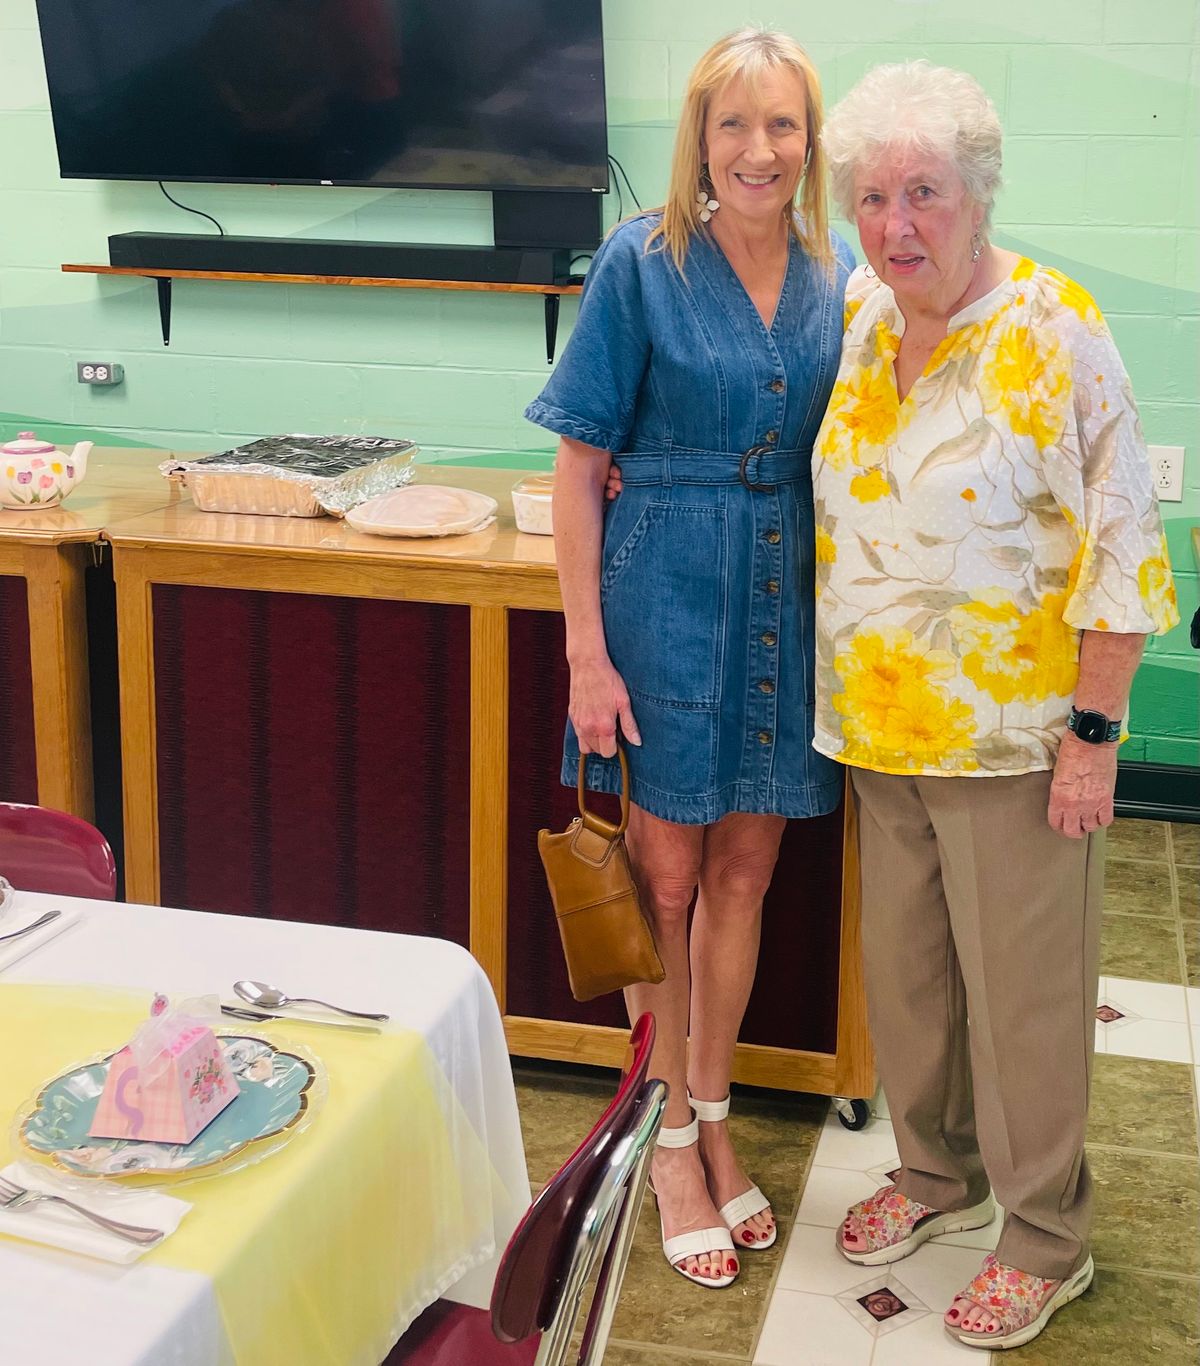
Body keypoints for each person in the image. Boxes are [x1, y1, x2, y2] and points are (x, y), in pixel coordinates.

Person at [813, 61, 1179, 1348]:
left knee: (1024, 996)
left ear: (978, 194)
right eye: (870, 196)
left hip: (1019, 738)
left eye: (924, 192)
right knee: (910, 986)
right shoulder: (862, 312)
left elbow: (1127, 544)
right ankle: (935, 1174)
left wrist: (1094, 735)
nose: (897, 222)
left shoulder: (1057, 325)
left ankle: (1046, 1233)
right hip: (872, 725)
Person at [524, 27, 853, 1288]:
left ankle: (714, 1119)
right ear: (699, 139)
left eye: (781, 125)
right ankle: (663, 1138)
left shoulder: (837, 273)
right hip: (661, 587)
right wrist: (585, 658)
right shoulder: (642, 262)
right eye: (734, 124)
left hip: (786, 597)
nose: (759, 149)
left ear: (808, 139)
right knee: (664, 880)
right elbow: (575, 458)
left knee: (748, 871)